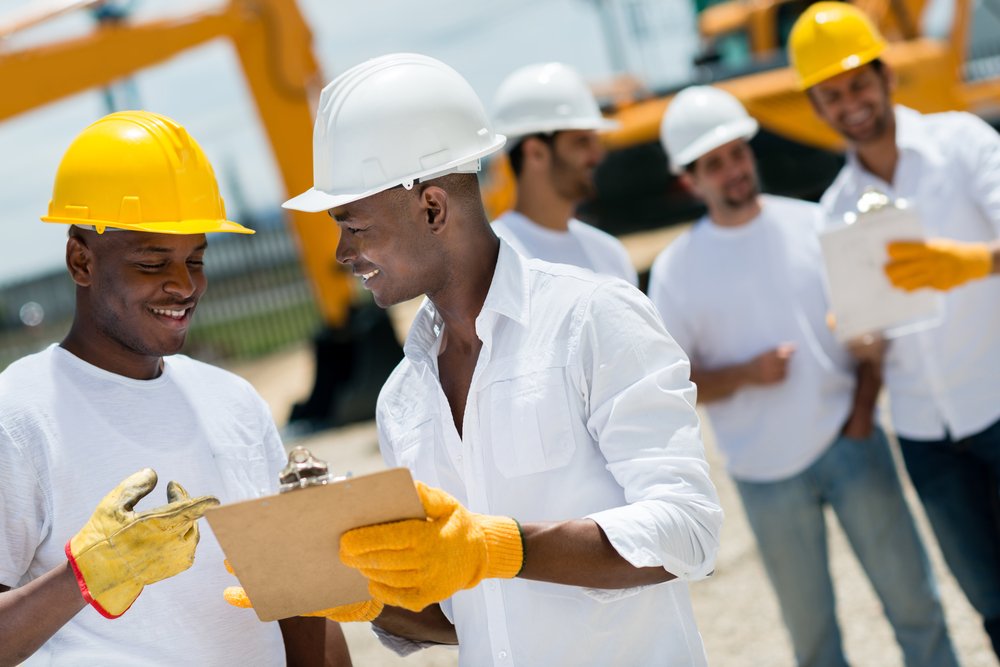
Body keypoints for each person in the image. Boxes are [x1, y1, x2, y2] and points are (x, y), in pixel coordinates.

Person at [274, 53, 724, 667]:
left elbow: (687, 533)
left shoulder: (591, 319)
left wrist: (500, 548)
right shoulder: (402, 401)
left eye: (353, 225)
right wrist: (354, 590)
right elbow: (469, 615)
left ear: (432, 208)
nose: (342, 253)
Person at [0, 111, 351, 666]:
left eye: (196, 259)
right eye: (151, 262)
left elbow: (300, 597)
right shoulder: (18, 416)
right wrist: (84, 578)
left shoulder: (233, 402)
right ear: (80, 260)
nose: (184, 285)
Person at [647, 85, 959, 667]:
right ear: (690, 180)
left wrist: (862, 418)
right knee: (814, 643)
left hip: (853, 446)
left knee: (917, 610)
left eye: (738, 153)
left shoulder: (816, 227)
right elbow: (671, 386)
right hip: (764, 475)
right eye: (714, 163)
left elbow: (874, 331)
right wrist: (745, 373)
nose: (734, 169)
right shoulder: (674, 272)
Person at [790, 2, 1000, 654]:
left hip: (995, 402)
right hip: (927, 440)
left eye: (858, 83)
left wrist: (970, 262)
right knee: (991, 605)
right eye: (832, 94)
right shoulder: (834, 212)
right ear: (817, 108)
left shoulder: (962, 144)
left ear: (884, 78)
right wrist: (859, 334)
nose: (850, 102)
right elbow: (871, 344)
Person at [489, 62, 638, 286]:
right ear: (536, 153)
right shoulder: (491, 261)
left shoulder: (610, 255)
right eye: (582, 142)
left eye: (595, 140)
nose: (598, 155)